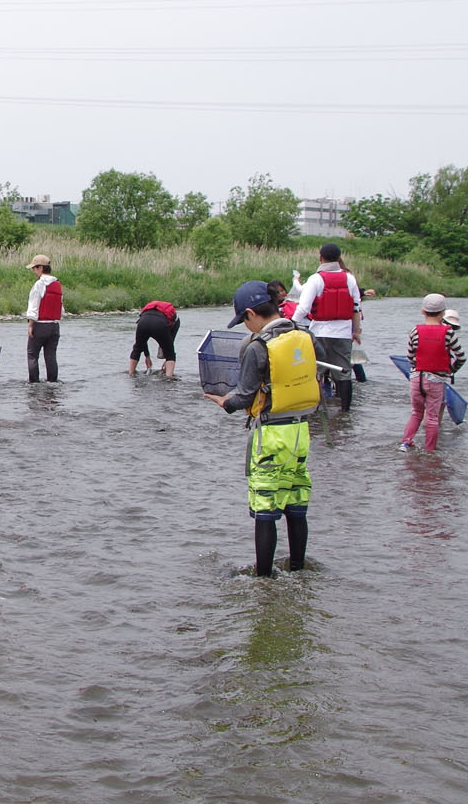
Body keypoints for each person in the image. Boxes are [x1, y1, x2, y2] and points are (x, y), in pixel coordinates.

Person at [204, 280, 321, 577]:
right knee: (295, 502)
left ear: (250, 314)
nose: (246, 328)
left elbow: (243, 396)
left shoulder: (259, 347)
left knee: (265, 509)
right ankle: (298, 569)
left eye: (244, 321)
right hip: (301, 431)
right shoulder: (304, 335)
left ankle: (264, 579)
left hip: (270, 435)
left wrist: (224, 402)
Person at [291, 243, 363, 410]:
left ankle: (314, 410)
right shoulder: (350, 278)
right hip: (343, 333)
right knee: (343, 373)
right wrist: (356, 331)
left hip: (320, 332)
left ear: (320, 257)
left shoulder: (315, 279)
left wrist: (291, 324)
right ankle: (345, 412)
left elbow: (303, 308)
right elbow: (355, 308)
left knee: (316, 372)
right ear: (339, 258)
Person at [401, 293, 467, 452]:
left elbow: (410, 356)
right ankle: (430, 451)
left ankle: (405, 442)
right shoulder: (448, 333)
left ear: (423, 311)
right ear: (443, 313)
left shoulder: (414, 331)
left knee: (416, 413)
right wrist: (451, 371)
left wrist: (417, 367)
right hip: (436, 380)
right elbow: (461, 357)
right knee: (432, 417)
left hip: (417, 378)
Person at [24, 253, 63, 383]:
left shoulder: (39, 284)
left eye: (34, 268)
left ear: (40, 268)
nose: (34, 271)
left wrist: (30, 325)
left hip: (40, 325)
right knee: (51, 356)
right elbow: (61, 309)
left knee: (32, 355)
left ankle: (34, 383)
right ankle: (53, 382)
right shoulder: (57, 284)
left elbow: (33, 307)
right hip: (54, 327)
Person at [130, 300, 180, 377]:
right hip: (160, 324)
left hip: (143, 322)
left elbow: (143, 342)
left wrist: (147, 356)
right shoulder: (176, 320)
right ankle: (169, 379)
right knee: (170, 354)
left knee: (137, 348)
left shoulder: (147, 313)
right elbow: (170, 345)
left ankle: (131, 374)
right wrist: (167, 360)